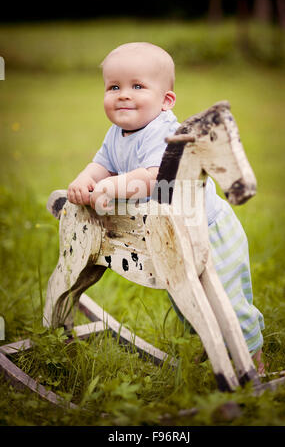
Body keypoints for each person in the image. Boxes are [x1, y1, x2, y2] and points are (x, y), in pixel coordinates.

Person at [67, 42, 265, 374]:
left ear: (166, 101)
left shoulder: (165, 132)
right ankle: (214, 347)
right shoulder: (117, 133)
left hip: (208, 231)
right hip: (170, 235)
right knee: (187, 301)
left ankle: (254, 362)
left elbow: (154, 178)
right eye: (114, 87)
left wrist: (109, 187)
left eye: (137, 86)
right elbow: (101, 164)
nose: (123, 95)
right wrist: (84, 180)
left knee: (227, 302)